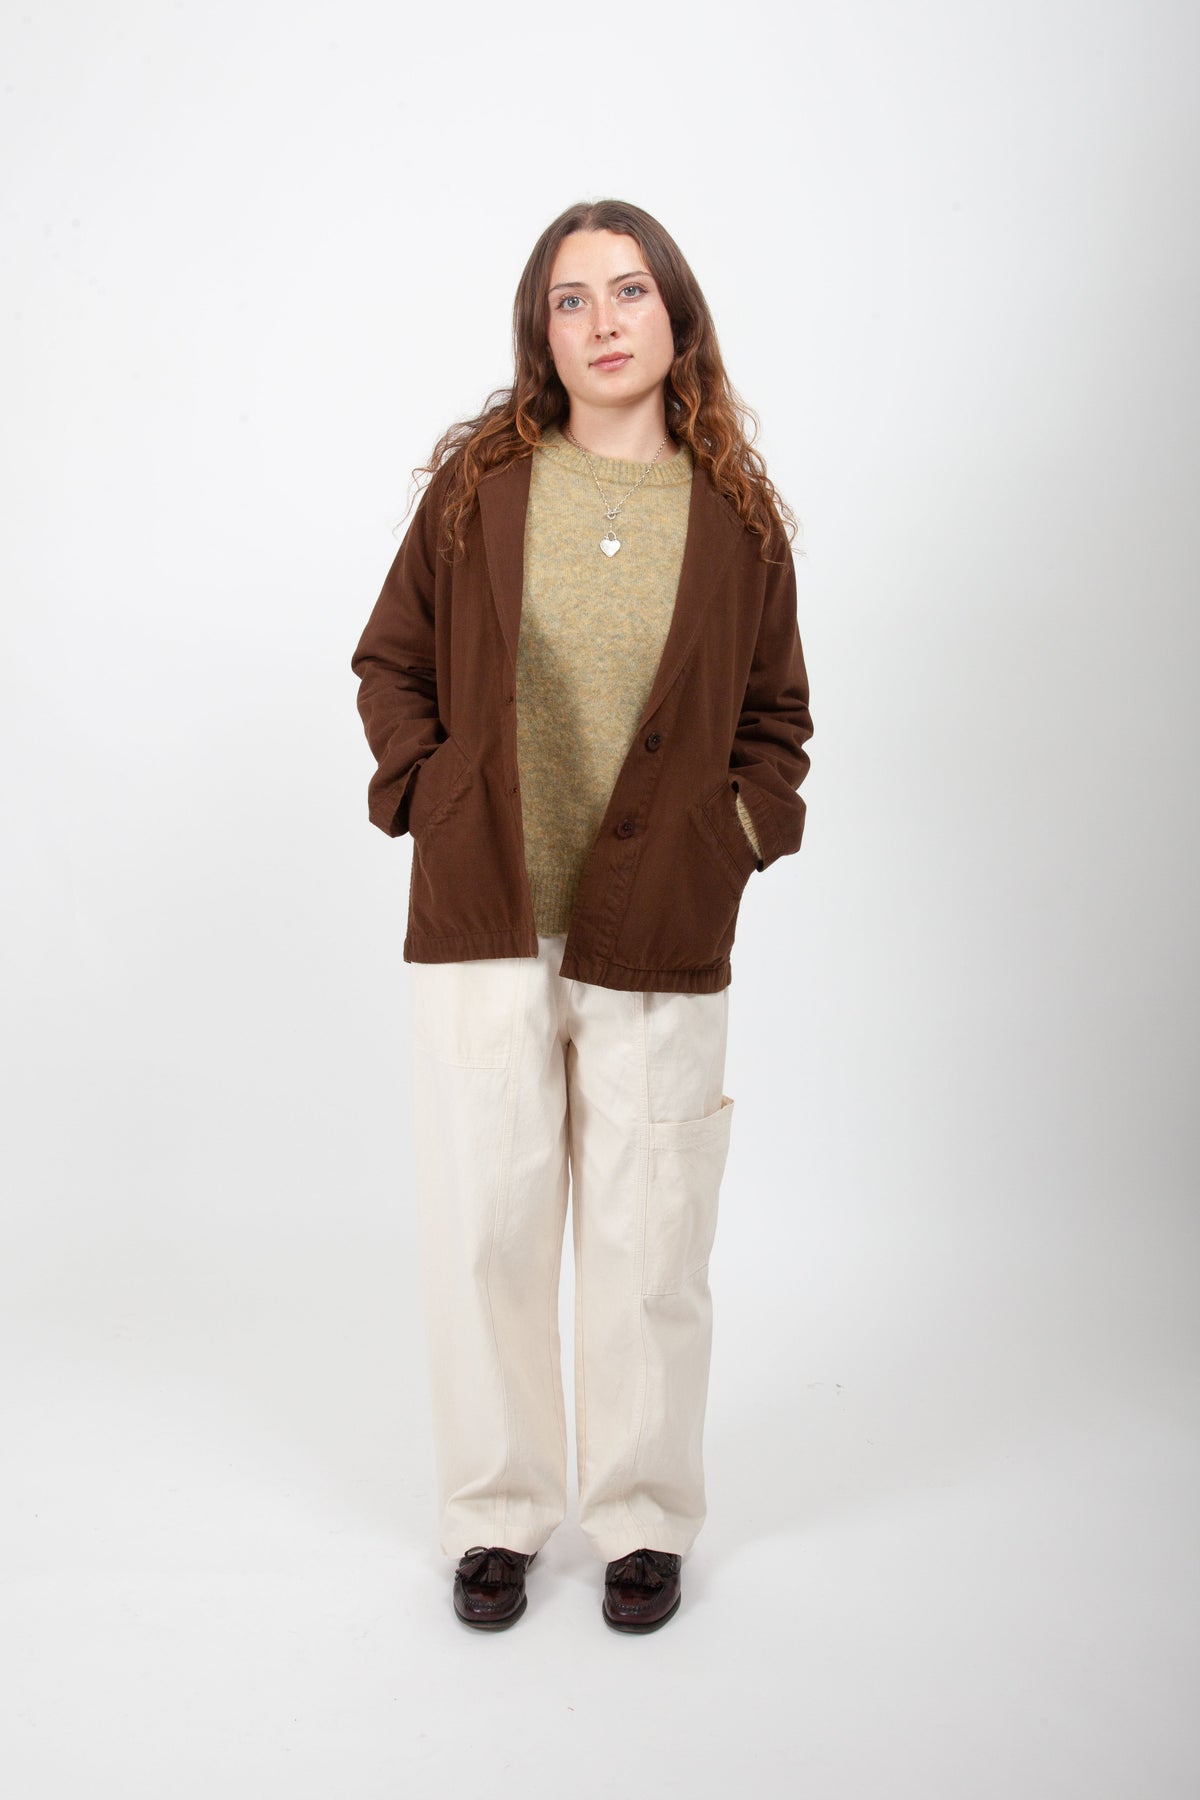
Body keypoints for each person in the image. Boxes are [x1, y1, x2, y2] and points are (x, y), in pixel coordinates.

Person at [350, 198, 814, 1634]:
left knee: (651, 1235)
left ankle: (645, 1520)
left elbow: (776, 723)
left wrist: (736, 837)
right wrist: (428, 793)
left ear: (678, 315)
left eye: (629, 291)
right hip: (487, 912)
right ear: (538, 330)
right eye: (571, 299)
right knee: (486, 1228)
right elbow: (391, 661)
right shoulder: (480, 488)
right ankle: (496, 1515)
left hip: (659, 923)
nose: (603, 321)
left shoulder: (737, 520)